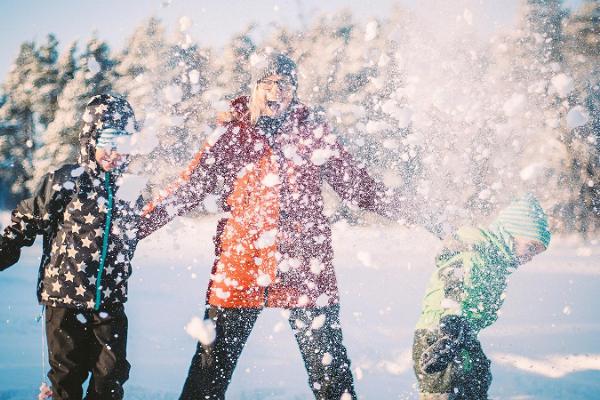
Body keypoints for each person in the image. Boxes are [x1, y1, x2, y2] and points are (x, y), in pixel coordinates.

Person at [139, 52, 412, 400]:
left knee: (331, 376)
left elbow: (357, 185)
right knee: (208, 374)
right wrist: (133, 227)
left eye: (285, 84)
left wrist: (414, 210)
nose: (277, 91)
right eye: (268, 83)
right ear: (254, 89)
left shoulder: (311, 133)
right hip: (242, 268)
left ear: (294, 92)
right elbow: (187, 188)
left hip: (304, 269)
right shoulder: (231, 134)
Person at [0, 94, 145, 400]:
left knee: (112, 374)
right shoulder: (66, 180)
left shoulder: (130, 190)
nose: (115, 151)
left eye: (125, 141)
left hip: (109, 301)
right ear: (91, 138)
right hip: (64, 299)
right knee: (67, 377)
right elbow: (26, 221)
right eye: (108, 139)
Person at [412, 194, 551, 399]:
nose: (530, 257)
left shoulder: (495, 261)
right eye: (530, 247)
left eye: (535, 253)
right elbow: (455, 279)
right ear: (510, 233)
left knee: (477, 381)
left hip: (462, 335)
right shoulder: (477, 249)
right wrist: (450, 327)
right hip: (441, 335)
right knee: (446, 391)